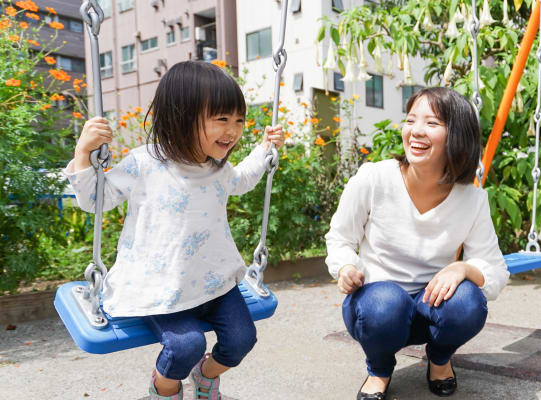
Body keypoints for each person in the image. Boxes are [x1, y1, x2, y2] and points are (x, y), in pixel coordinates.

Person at [63, 60, 285, 400]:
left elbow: (243, 179)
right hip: (161, 287)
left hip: (215, 281)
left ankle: (206, 376)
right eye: (222, 119)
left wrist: (265, 150)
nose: (233, 130)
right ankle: (164, 391)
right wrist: (83, 153)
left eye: (239, 120)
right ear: (182, 116)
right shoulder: (144, 164)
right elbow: (95, 199)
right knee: (186, 346)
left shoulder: (217, 169)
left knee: (242, 339)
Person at [325, 87, 509, 399]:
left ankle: (439, 360)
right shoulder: (373, 178)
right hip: (376, 309)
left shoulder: (473, 199)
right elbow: (340, 238)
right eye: (411, 120)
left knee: (468, 302)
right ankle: (379, 369)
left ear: (458, 136)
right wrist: (345, 266)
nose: (416, 131)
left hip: (432, 308)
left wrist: (463, 268)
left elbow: (494, 271)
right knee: (385, 303)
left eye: (432, 124)